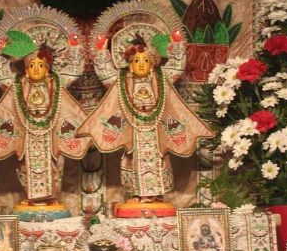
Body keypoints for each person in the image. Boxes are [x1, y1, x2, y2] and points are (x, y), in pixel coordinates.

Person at [78, 18, 214, 202]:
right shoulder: (123, 81)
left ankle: (156, 196)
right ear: (129, 64)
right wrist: (101, 52)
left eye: (145, 60)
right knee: (132, 161)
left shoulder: (160, 78)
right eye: (135, 61)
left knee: (159, 160)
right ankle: (137, 194)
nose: (140, 64)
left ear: (152, 64)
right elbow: (106, 74)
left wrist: (176, 45)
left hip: (156, 132)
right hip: (133, 131)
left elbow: (176, 67)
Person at [0, 24, 89, 206]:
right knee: (25, 166)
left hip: (51, 134)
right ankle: (32, 198)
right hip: (27, 135)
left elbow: (73, 71)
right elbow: (2, 76)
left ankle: (51, 198)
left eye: (40, 65)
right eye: (32, 66)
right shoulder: (19, 86)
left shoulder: (55, 84)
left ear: (47, 69)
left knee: (56, 164)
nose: (36, 69)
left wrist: (75, 47)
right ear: (26, 70)